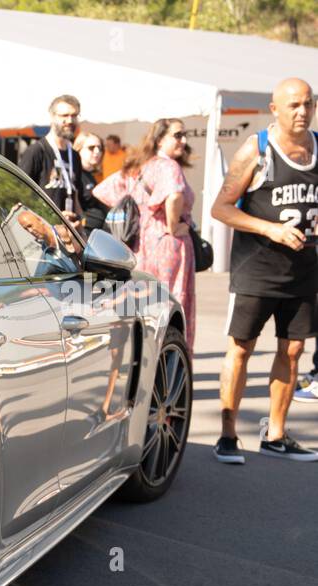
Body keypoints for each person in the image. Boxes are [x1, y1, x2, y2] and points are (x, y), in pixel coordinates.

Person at [211, 77, 318, 462]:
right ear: (274, 109)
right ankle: (227, 435)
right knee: (241, 348)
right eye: (294, 105)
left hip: (304, 269)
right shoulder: (257, 149)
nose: (302, 112)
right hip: (256, 268)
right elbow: (221, 209)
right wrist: (270, 228)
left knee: (293, 350)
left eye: (308, 104)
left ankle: (276, 434)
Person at [131, 118, 198, 349]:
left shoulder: (145, 166)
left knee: (149, 305)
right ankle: (171, 355)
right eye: (177, 135)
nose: (184, 141)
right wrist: (174, 225)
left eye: (184, 135)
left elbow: (106, 191)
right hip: (169, 244)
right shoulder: (170, 167)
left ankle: (149, 357)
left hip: (144, 244)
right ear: (160, 139)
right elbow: (174, 195)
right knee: (173, 302)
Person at [18, 94, 86, 228]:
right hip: (42, 231)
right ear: (52, 117)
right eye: (64, 115)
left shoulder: (75, 156)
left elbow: (75, 195)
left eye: (74, 115)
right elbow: (21, 195)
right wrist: (51, 218)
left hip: (68, 232)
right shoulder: (37, 151)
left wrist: (80, 224)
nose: (70, 120)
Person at [74, 131, 108, 234]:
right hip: (83, 233)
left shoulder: (91, 175)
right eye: (91, 148)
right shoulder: (75, 174)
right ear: (79, 149)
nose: (97, 151)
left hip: (97, 232)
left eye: (100, 148)